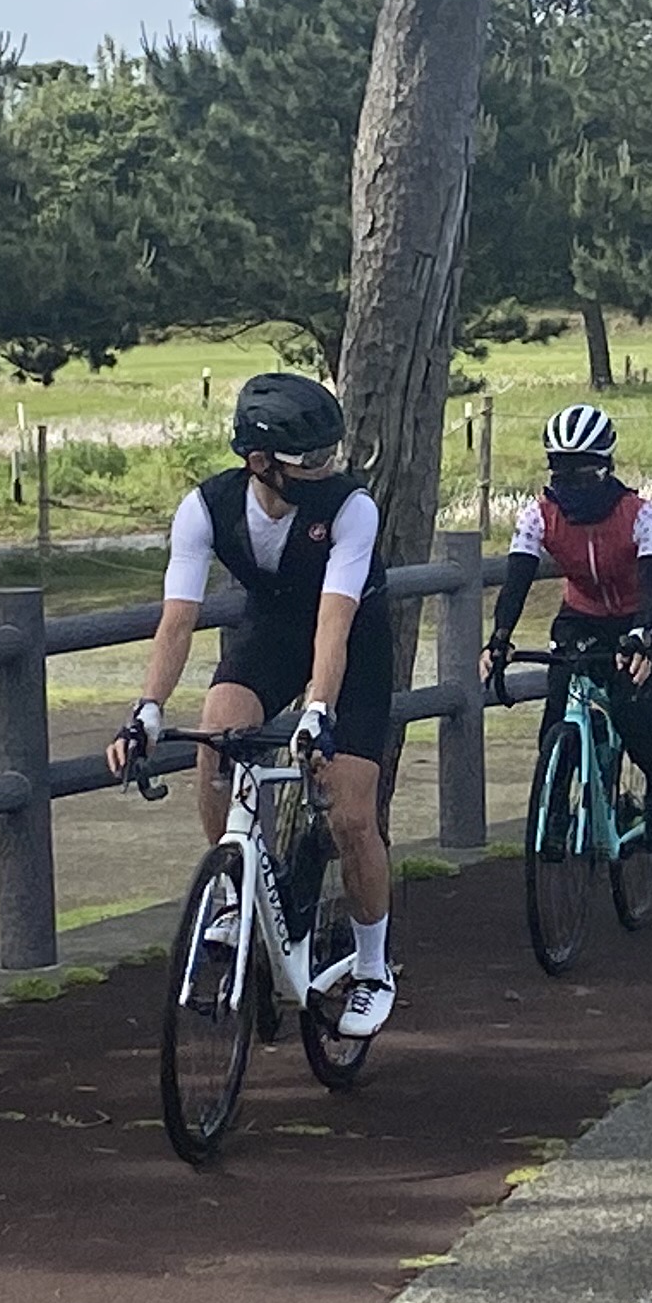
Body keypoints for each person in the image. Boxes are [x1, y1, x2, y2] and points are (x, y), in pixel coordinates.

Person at [107, 373, 400, 1037]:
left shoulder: (351, 508)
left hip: (352, 636)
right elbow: (177, 620)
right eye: (311, 460)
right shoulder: (205, 508)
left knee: (352, 814)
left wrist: (318, 711)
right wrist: (148, 709)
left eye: (330, 454)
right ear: (261, 462)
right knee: (215, 740)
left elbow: (335, 624)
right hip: (272, 630)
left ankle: (373, 968)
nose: (327, 468)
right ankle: (236, 889)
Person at [481, 404, 652, 853]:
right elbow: (517, 579)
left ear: (606, 468)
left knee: (632, 714)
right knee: (557, 709)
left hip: (649, 616)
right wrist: (499, 638)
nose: (571, 484)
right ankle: (555, 810)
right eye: (561, 472)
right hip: (583, 615)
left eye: (583, 472)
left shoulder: (642, 516)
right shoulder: (538, 515)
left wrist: (641, 636)